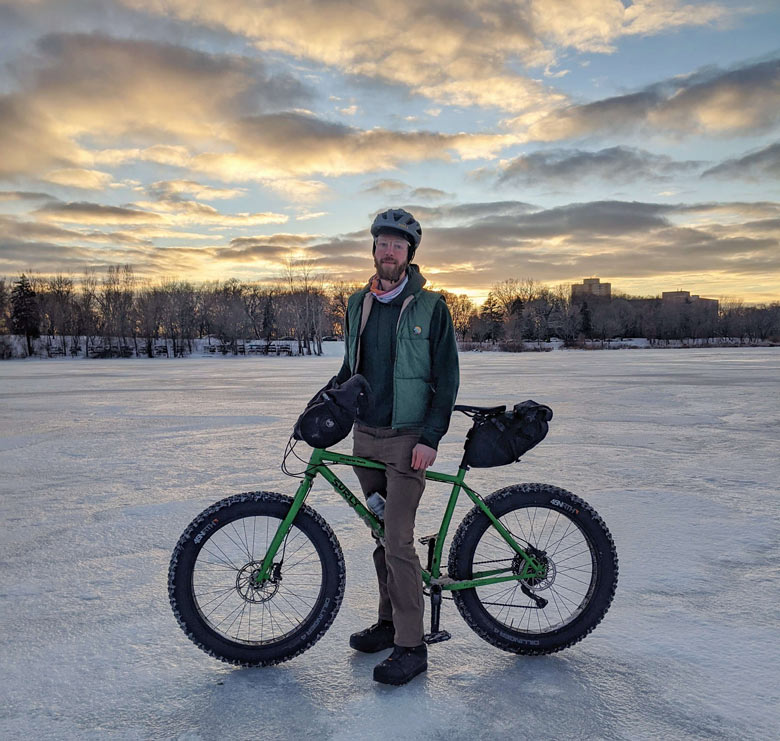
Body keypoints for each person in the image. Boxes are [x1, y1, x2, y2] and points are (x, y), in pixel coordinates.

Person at [333, 207, 459, 685]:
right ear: (374, 249)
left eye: (398, 245)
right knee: (380, 535)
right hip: (365, 437)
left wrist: (430, 438)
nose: (389, 251)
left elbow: (447, 378)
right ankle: (388, 624)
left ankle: (412, 646)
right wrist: (323, 408)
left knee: (400, 540)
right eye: (383, 243)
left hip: (408, 439)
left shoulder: (432, 306)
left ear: (410, 255)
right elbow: (350, 370)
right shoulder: (356, 303)